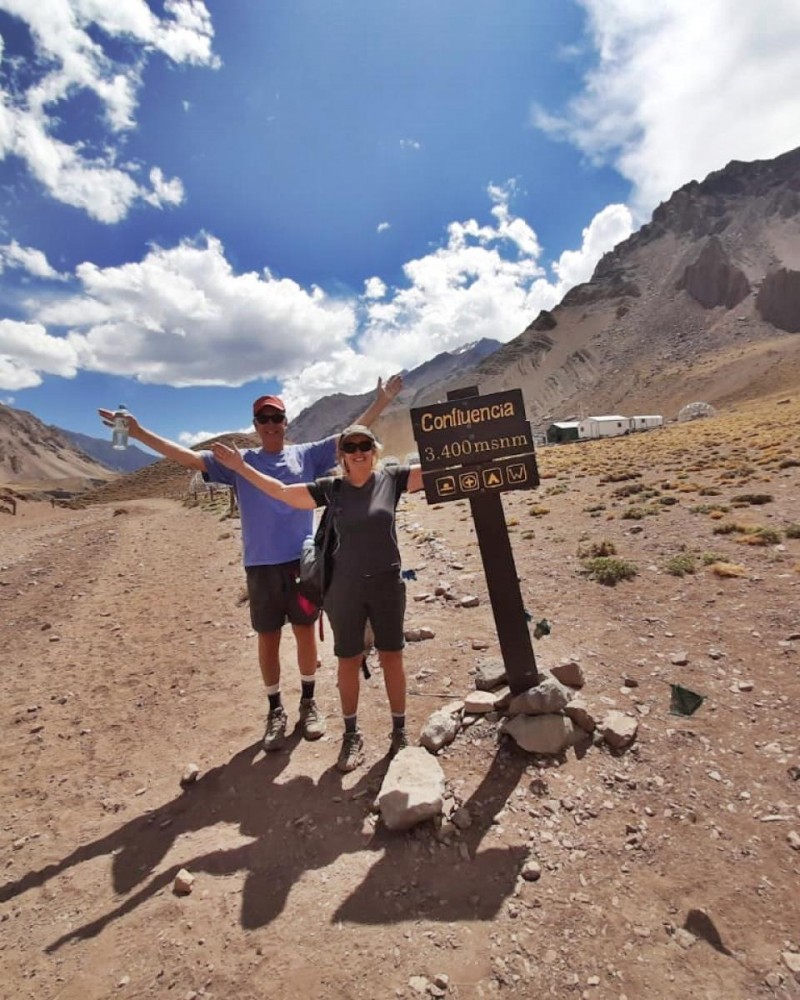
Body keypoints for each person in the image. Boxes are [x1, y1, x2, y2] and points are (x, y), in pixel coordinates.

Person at [97, 375, 402, 752]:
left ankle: (309, 702)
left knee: (305, 632)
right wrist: (139, 432)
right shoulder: (239, 463)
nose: (271, 425)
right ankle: (275, 709)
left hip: (302, 563)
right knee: (268, 637)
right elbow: (186, 458)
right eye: (264, 419)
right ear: (255, 426)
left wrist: (383, 400)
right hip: (260, 565)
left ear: (285, 421)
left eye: (277, 418)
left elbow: (353, 437)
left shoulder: (306, 455)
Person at [210, 424, 423, 773]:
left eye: (364, 445)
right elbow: (280, 492)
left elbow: (440, 469)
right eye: (350, 446)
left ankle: (399, 732)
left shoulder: (393, 480)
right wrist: (241, 468)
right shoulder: (332, 489)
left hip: (387, 587)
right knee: (348, 660)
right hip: (344, 591)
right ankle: (351, 734)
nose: (358, 451)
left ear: (374, 450)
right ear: (340, 455)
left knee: (392, 656)